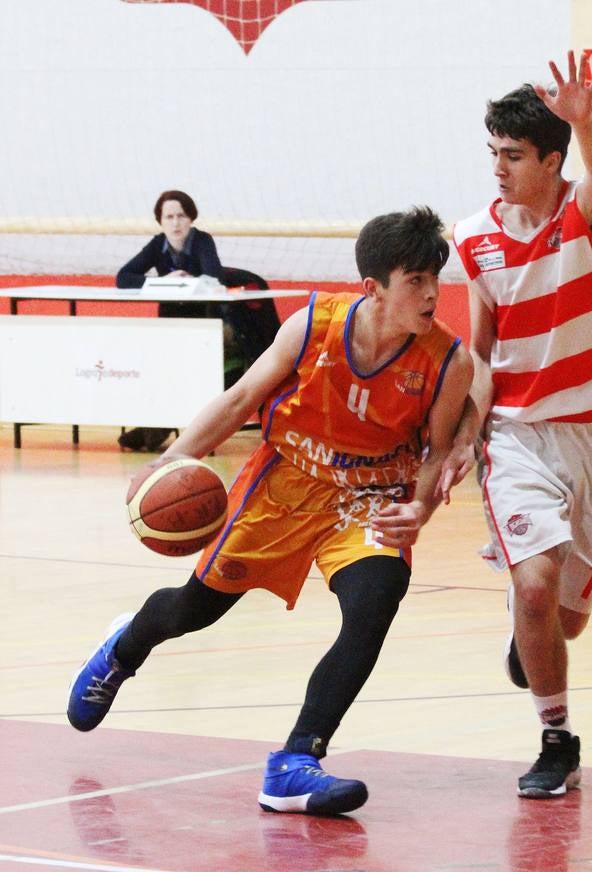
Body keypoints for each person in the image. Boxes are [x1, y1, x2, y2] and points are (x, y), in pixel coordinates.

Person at [67, 206, 474, 816]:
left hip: (368, 499)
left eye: (435, 278)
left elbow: (438, 449)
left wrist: (419, 507)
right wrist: (172, 458)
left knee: (373, 607)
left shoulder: (448, 360)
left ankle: (294, 762)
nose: (432, 294)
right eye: (415, 280)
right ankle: (125, 648)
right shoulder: (312, 327)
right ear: (374, 288)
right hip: (284, 484)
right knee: (193, 610)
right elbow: (240, 399)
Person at [451, 52, 592, 798]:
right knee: (535, 589)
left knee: (567, 622)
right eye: (492, 152)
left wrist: (586, 120)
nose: (498, 167)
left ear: (553, 160)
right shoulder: (474, 237)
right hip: (519, 436)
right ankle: (556, 737)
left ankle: (533, 644)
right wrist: (463, 441)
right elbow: (481, 352)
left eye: (514, 155)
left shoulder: (585, 217)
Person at [116, 189, 224, 452]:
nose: (175, 223)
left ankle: (160, 432)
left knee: (185, 367)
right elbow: (123, 277)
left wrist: (190, 283)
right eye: (169, 217)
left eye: (181, 216)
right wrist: (160, 282)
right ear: (160, 221)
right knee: (158, 365)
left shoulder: (202, 241)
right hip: (171, 327)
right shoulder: (157, 245)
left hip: (207, 324)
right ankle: (153, 428)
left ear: (191, 218)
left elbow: (215, 279)